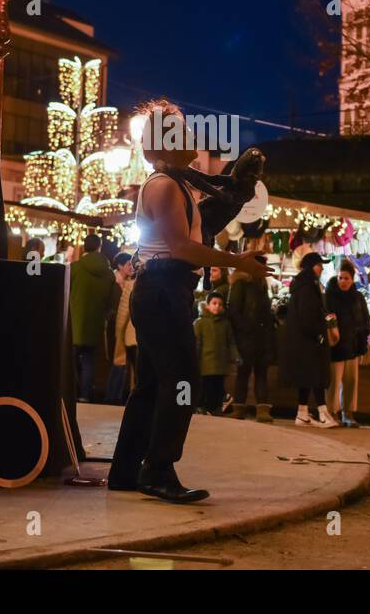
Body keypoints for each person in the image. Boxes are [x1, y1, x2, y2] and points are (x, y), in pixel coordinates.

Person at [107, 99, 267, 503]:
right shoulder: (163, 186)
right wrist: (238, 262)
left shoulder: (174, 184)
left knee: (150, 385)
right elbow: (182, 247)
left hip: (163, 289)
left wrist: (231, 194)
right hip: (163, 289)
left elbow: (192, 235)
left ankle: (127, 470)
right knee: (180, 382)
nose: (194, 139)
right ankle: (158, 470)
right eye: (183, 133)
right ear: (166, 143)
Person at [282, 251, 338, 428]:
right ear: (312, 266)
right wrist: (318, 334)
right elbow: (308, 314)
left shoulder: (303, 284)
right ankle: (322, 414)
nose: (321, 268)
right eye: (319, 265)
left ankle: (302, 413)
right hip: (310, 339)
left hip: (303, 340)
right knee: (317, 375)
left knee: (307, 377)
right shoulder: (308, 286)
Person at [228, 259, 277, 421]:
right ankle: (239, 408)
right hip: (247, 337)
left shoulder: (261, 284)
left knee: (261, 372)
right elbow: (234, 311)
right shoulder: (240, 284)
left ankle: (262, 409)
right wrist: (247, 329)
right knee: (244, 372)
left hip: (261, 337)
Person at [70, 233, 116, 402]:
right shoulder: (109, 274)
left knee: (71, 361)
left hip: (74, 324)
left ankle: (70, 394)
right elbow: (112, 303)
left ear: (84, 246)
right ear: (99, 247)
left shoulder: (74, 268)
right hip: (95, 325)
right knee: (89, 362)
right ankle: (84, 395)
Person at [324, 259, 370, 427]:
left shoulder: (357, 297)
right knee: (334, 382)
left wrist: (362, 334)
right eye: (341, 278)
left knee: (351, 381)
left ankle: (348, 413)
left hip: (352, 344)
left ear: (352, 279)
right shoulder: (329, 296)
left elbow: (365, 319)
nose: (343, 281)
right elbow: (326, 318)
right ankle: (331, 412)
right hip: (336, 345)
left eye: (346, 278)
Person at [194, 291, 236, 415]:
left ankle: (215, 407)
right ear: (207, 305)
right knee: (206, 386)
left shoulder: (225, 324)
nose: (217, 306)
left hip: (220, 363)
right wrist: (195, 359)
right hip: (205, 363)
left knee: (217, 386)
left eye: (220, 304)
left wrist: (235, 356)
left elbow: (231, 342)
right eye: (214, 303)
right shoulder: (200, 323)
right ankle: (203, 406)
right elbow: (197, 343)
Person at [104, 252, 135, 404]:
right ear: (120, 266)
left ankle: (117, 396)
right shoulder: (116, 282)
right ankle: (114, 396)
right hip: (121, 330)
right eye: (128, 264)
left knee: (123, 364)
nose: (131, 267)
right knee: (121, 364)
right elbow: (121, 313)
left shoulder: (129, 283)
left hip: (127, 333)